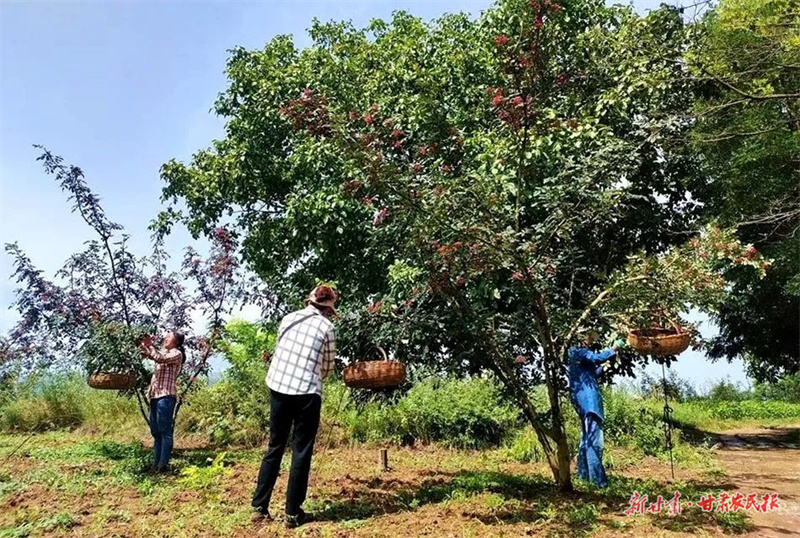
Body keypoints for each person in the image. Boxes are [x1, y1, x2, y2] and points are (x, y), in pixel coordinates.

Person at [252, 285, 338, 528]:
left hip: (278, 386)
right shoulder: (327, 327)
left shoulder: (288, 318)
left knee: (275, 445)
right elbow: (328, 368)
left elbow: (281, 348)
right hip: (307, 393)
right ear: (328, 308)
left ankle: (259, 506)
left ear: (310, 301)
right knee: (301, 450)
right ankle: (292, 513)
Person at [567, 330, 623, 488]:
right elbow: (595, 357)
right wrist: (614, 349)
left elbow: (593, 373)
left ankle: (583, 476)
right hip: (590, 402)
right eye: (588, 338)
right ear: (581, 339)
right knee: (594, 441)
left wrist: (606, 367)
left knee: (586, 440)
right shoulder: (577, 351)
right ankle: (599, 482)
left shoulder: (574, 356)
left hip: (581, 402)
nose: (589, 341)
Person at [139, 330, 185, 473]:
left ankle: (162, 465)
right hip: (155, 395)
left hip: (166, 396)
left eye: (169, 336)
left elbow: (160, 358)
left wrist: (151, 346)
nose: (165, 338)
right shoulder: (164, 352)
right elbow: (150, 355)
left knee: (164, 431)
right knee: (156, 431)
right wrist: (144, 345)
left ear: (176, 341)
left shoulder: (176, 354)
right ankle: (156, 464)